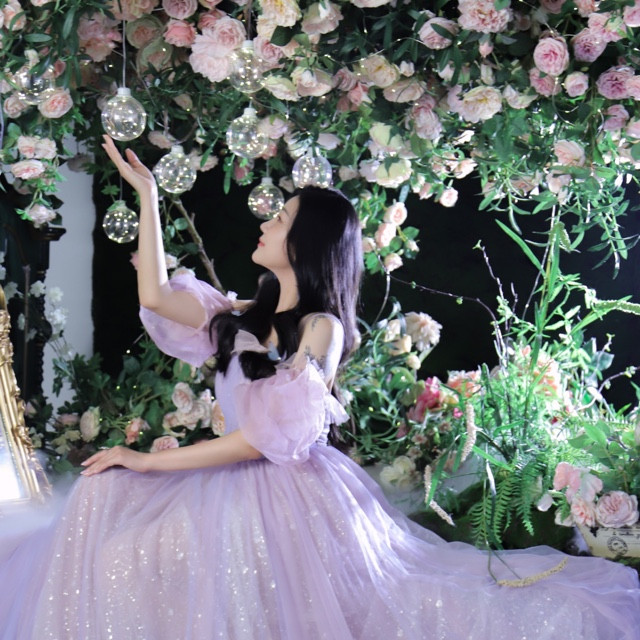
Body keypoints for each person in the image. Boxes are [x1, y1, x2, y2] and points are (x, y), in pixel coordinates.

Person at [0, 135, 638, 639]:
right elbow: (157, 295)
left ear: (305, 243)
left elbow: (260, 441)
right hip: (224, 486)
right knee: (102, 501)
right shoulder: (244, 314)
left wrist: (146, 459)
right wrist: (146, 194)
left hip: (283, 497)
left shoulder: (321, 329)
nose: (265, 225)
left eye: (279, 219)